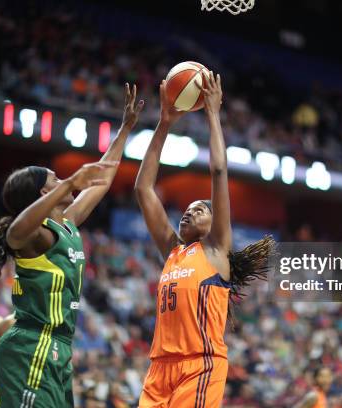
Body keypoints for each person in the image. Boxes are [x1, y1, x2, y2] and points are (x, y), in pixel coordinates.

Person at [0, 84, 143, 407]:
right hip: (31, 347)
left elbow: (102, 180)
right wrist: (70, 182)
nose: (62, 180)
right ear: (42, 194)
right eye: (54, 178)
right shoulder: (34, 234)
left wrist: (125, 129)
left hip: (58, 349)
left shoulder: (66, 223)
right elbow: (14, 234)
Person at [135, 72, 274, 407]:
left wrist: (213, 113)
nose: (188, 213)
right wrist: (165, 123)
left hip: (200, 365)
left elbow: (219, 172)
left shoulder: (215, 250)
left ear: (216, 223)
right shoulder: (173, 250)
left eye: (200, 210)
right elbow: (143, 189)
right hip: (159, 370)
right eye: (186, 209)